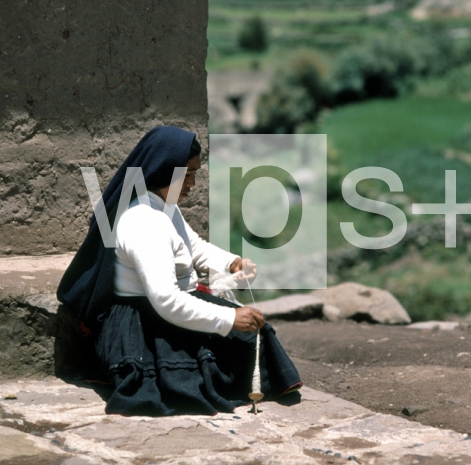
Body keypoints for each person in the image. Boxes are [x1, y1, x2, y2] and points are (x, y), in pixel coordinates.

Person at [57, 125, 302, 416]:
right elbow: (166, 300)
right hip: (147, 319)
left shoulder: (164, 207)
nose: (192, 184)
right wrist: (229, 317)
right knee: (195, 373)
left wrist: (230, 262)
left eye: (195, 174)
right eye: (187, 174)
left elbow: (193, 247)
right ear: (163, 169)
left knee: (257, 334)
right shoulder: (144, 222)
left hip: (166, 308)